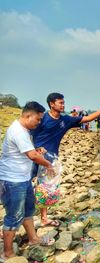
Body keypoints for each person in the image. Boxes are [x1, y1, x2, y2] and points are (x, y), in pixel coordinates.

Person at [31, 93, 100, 226]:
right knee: (27, 184)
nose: (63, 105)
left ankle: (44, 218)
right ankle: (18, 217)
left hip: (51, 159)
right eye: (60, 103)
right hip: (34, 156)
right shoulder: (42, 118)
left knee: (45, 187)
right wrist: (34, 148)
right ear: (52, 104)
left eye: (64, 103)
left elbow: (87, 119)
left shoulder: (65, 120)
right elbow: (29, 133)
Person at [0, 102, 55, 260]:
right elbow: (32, 156)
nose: (39, 123)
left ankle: (33, 239)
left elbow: (27, 152)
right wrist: (48, 164)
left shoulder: (24, 130)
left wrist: (37, 151)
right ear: (27, 116)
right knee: (13, 216)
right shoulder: (18, 131)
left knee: (28, 210)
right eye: (38, 119)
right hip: (12, 181)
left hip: (23, 179)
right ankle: (7, 253)